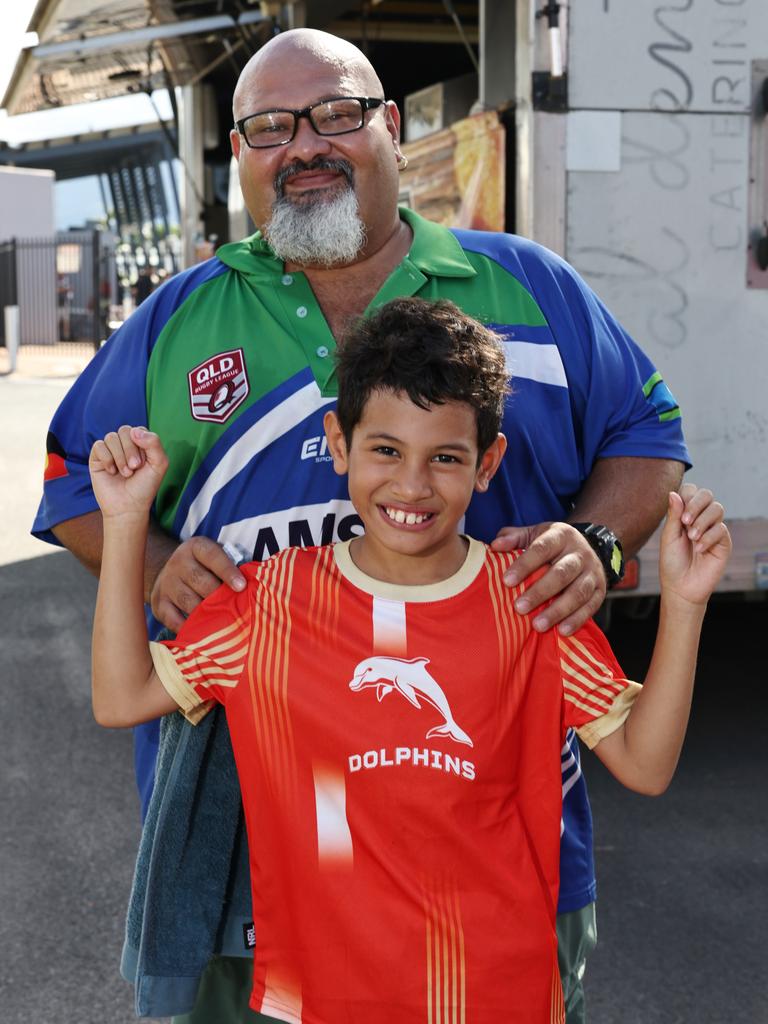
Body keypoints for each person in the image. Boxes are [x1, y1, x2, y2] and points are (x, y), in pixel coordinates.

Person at [32, 28, 690, 1023]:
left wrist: (597, 541)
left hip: (492, 830)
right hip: (250, 830)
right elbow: (76, 478)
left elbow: (650, 430)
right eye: (269, 127)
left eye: (337, 114)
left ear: (388, 127)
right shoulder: (177, 319)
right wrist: (153, 562)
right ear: (241, 155)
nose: (305, 145)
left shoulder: (529, 289)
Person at [88, 298, 730, 1024]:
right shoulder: (268, 602)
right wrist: (124, 521)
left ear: (488, 463)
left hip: (495, 996)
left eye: (446, 458)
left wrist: (685, 603)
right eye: (386, 450)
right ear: (339, 443)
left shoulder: (528, 602)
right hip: (320, 999)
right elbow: (121, 698)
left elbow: (645, 766)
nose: (413, 485)